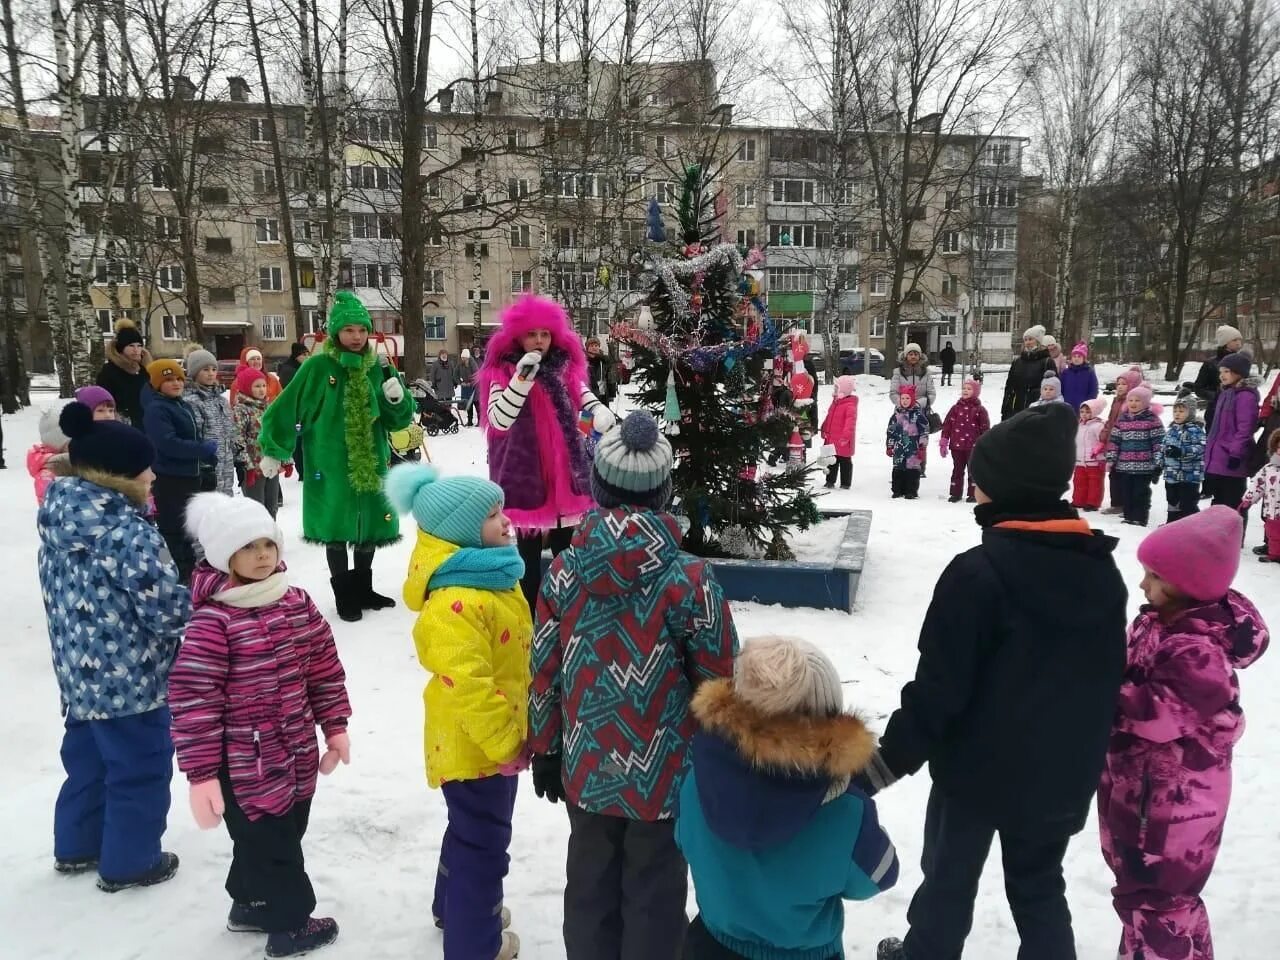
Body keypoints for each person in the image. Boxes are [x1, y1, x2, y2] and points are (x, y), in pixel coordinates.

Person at [866, 403, 1128, 960]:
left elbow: (937, 693)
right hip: (1058, 776)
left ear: (1005, 488)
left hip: (974, 781)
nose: (977, 491)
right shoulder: (1101, 573)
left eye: (982, 481)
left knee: (947, 880)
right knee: (1038, 887)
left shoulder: (978, 575)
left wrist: (882, 766)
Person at [528, 411, 738, 960]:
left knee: (591, 888)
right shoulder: (690, 577)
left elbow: (544, 666)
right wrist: (719, 755)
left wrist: (546, 747)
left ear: (598, 487)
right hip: (666, 776)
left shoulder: (564, 570)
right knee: (656, 893)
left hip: (588, 765)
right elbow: (719, 679)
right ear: (665, 493)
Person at [170, 492, 351, 959]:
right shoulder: (214, 621)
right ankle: (291, 925)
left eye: (267, 543)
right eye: (248, 547)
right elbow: (195, 701)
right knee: (277, 845)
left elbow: (323, 670)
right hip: (243, 763)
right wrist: (202, 775)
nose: (262, 555)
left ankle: (250, 901)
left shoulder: (296, 603)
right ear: (223, 555)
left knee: (284, 830)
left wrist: (334, 726)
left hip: (296, 750)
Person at [1100, 507, 1269, 960]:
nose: (1142, 585)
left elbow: (1154, 716)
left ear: (1188, 584)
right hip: (1144, 797)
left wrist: (1091, 689)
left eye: (1153, 576)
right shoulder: (1158, 623)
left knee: (1156, 910)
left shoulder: (1196, 651)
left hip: (1169, 814)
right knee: (1163, 909)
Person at [38, 401, 189, 891]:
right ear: (117, 475)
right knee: (139, 768)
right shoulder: (127, 533)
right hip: (131, 679)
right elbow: (165, 610)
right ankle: (131, 861)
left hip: (79, 673)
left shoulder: (59, 522)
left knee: (88, 761)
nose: (152, 475)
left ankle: (77, 843)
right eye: (144, 468)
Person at [386, 463, 531, 960]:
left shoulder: (483, 575)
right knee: (484, 849)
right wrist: (505, 743)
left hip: (484, 736)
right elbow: (468, 683)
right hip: (478, 745)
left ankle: (455, 909)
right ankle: (476, 945)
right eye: (492, 516)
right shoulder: (457, 599)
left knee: (469, 832)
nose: (506, 521)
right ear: (463, 532)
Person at [676, 636, 899, 960]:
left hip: (710, 947)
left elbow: (683, 838)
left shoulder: (697, 784)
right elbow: (881, 874)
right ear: (827, 726)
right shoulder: (845, 813)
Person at [258, 291, 414, 621]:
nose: (356, 337)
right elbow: (288, 407)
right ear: (336, 333)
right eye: (349, 330)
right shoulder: (318, 366)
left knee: (369, 524)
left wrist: (397, 399)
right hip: (329, 463)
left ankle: (363, 588)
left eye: (361, 329)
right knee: (337, 526)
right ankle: (344, 594)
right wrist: (275, 447)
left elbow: (397, 421)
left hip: (372, 459)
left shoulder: (379, 367)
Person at [477, 295, 614, 609]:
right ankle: (529, 611)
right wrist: (521, 378)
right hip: (523, 472)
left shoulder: (564, 368)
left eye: (545, 334)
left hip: (565, 474)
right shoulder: (501, 371)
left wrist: (598, 412)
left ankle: (565, 607)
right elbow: (499, 419)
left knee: (567, 549)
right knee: (526, 552)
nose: (539, 341)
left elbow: (582, 396)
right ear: (518, 336)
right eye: (531, 334)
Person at [144, 358, 218, 583]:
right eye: (168, 380)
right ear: (157, 384)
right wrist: (201, 450)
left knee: (189, 530)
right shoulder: (157, 409)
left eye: (178, 378)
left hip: (189, 476)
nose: (176, 383)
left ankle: (190, 577)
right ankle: (178, 579)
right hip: (170, 478)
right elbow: (168, 443)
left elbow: (192, 434)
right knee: (174, 531)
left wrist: (205, 462)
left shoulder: (180, 404)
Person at [1203, 352, 1261, 516]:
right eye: (1221, 372)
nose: (1222, 376)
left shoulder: (1245, 396)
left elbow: (1245, 428)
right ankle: (1218, 538)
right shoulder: (1226, 393)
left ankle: (1234, 539)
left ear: (1239, 372)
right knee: (1218, 502)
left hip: (1232, 458)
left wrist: (1235, 453)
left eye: (1226, 371)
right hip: (1218, 458)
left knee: (1233, 503)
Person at [1106, 384, 1165, 528]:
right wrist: (1111, 458)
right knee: (1126, 492)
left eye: (1137, 400)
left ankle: (1140, 517)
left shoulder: (1152, 420)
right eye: (1130, 400)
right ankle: (1128, 515)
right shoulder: (1122, 419)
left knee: (1140, 493)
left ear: (1145, 403)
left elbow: (1159, 442)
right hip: (1124, 465)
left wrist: (1158, 462)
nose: (1133, 403)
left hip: (1144, 466)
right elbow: (1115, 440)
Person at [233, 367, 287, 518]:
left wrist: (286, 459)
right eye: (257, 386)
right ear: (246, 387)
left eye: (263, 385)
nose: (262, 389)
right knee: (257, 509)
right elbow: (238, 439)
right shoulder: (241, 410)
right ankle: (256, 540)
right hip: (253, 467)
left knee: (272, 507)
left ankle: (270, 539)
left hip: (271, 463)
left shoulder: (269, 407)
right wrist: (247, 467)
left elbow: (278, 435)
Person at [184, 349, 236, 496]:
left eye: (213, 369)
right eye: (205, 369)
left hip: (226, 462)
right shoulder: (192, 401)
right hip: (207, 464)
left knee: (226, 502)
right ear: (194, 373)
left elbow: (231, 430)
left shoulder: (221, 399)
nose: (211, 373)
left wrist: (237, 457)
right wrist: (203, 462)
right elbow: (195, 435)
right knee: (210, 504)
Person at [1101, 367, 1146, 516]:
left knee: (1125, 475)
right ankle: (1116, 503)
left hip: (1126, 445)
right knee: (1113, 474)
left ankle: (1128, 504)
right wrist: (1105, 433)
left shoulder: (1133, 403)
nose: (1119, 386)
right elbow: (1110, 420)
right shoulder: (1116, 401)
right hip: (1112, 443)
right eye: (1118, 383)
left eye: (1124, 384)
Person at [939, 377, 990, 503]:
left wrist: (985, 445)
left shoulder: (980, 410)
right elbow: (947, 425)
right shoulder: (955, 409)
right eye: (964, 388)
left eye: (969, 389)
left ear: (976, 392)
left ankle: (973, 494)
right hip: (957, 446)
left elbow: (985, 428)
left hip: (973, 447)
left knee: (973, 471)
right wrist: (944, 441)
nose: (965, 391)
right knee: (957, 469)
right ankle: (955, 493)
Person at [96, 318, 153, 427]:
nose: (136, 350)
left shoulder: (145, 370)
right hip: (123, 427)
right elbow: (103, 402)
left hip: (148, 426)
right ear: (121, 348)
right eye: (131, 346)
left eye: (139, 346)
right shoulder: (109, 372)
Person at [1190, 324, 1245, 431]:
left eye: (1240, 339)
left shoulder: (1242, 363)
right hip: (1215, 413)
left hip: (1237, 413)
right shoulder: (1210, 364)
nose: (1239, 343)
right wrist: (1217, 396)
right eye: (1234, 340)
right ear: (1225, 342)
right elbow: (1199, 388)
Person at [1164, 396, 1206, 525]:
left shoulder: (1196, 430)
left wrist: (1182, 452)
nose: (1177, 414)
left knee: (1187, 502)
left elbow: (1200, 448)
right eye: (1175, 411)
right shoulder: (1171, 430)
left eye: (1181, 411)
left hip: (1190, 475)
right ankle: (1172, 523)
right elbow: (1163, 448)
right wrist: (1158, 464)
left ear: (1191, 413)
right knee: (1172, 500)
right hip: (1171, 474)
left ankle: (1194, 525)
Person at [1241, 428, 1280, 562]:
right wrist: (1248, 499)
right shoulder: (1268, 468)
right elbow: (1258, 484)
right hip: (1271, 511)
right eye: (1279, 447)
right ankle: (1274, 554)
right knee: (1273, 533)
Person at [1001, 324, 1056, 420]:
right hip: (1017, 409)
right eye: (1025, 340)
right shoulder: (1017, 362)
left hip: (1038, 410)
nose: (1028, 342)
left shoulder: (1047, 362)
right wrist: (1005, 409)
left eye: (1031, 339)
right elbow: (1009, 387)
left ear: (1038, 341)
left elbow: (1054, 388)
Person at [886, 385, 930, 500]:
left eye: (907, 399)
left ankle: (911, 491)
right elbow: (890, 431)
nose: (905, 401)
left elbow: (924, 431)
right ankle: (897, 490)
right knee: (898, 468)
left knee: (912, 469)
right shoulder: (896, 416)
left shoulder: (918, 415)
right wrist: (890, 446)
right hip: (899, 448)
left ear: (912, 400)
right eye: (903, 398)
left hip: (913, 447)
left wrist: (922, 446)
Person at [28, 398, 73, 503]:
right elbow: (46, 500)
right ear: (58, 443)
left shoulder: (68, 459)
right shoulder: (48, 471)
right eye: (71, 442)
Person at [820, 375, 858, 490]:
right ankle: (830, 481)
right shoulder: (835, 402)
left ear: (844, 390)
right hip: (831, 438)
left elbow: (850, 424)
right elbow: (829, 417)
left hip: (843, 441)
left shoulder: (850, 405)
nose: (834, 390)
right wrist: (824, 428)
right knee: (831, 460)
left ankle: (845, 483)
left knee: (845, 461)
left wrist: (846, 437)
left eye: (837, 388)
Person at [1073, 398, 1109, 513]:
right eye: (1082, 411)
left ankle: (1092, 502)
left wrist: (1100, 451)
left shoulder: (1098, 426)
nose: (1084, 414)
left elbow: (1103, 441)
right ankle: (1078, 500)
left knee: (1094, 483)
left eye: (1088, 412)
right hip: (1079, 460)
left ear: (1095, 412)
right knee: (1079, 481)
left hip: (1094, 460)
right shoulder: (1078, 425)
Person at [1059, 342, 1099, 413]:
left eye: (1079, 356)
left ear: (1084, 358)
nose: (1076, 359)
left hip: (1083, 408)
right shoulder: (1066, 372)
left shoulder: (1089, 372)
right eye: (1074, 356)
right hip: (1067, 406)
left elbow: (1093, 390)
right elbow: (1061, 388)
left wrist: (1088, 404)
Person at [585, 337, 618, 407]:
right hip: (588, 397)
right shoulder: (583, 361)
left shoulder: (604, 361)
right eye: (591, 346)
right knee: (587, 417)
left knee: (602, 416)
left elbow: (610, 377)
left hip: (602, 396)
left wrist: (612, 393)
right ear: (587, 348)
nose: (594, 348)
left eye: (596, 346)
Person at [456, 347, 481, 426]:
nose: (463, 359)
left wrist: (471, 383)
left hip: (475, 387)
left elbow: (477, 375)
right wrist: (460, 382)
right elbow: (455, 375)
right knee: (468, 405)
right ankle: (470, 421)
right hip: (466, 388)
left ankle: (480, 421)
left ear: (468, 357)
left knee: (476, 404)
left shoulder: (472, 363)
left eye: (465, 358)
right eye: (462, 358)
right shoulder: (460, 364)